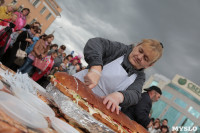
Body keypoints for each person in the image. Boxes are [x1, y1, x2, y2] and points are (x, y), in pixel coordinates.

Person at [73, 37, 163, 114]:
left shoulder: (140, 77)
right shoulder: (119, 49)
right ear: (137, 45)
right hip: (76, 88)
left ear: (149, 65)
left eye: (145, 58)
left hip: (97, 110)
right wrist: (96, 68)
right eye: (140, 51)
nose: (139, 57)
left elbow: (135, 94)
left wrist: (120, 96)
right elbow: (95, 43)